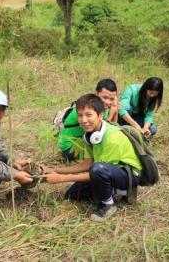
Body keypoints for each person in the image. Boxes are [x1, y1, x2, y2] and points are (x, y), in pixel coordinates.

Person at [44, 94, 142, 222]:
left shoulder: (112, 137)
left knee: (97, 169)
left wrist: (61, 178)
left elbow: (96, 171)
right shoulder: (89, 135)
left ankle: (108, 204)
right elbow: (85, 165)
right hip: (104, 170)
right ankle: (112, 191)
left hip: (128, 175)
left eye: (88, 115)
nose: (83, 120)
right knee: (72, 195)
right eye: (80, 115)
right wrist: (53, 170)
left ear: (101, 115)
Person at [58, 78, 120, 161]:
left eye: (112, 99)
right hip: (70, 146)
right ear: (96, 93)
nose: (108, 102)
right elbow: (102, 132)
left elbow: (114, 129)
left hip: (85, 140)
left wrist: (115, 112)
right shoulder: (87, 107)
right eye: (104, 97)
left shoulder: (102, 107)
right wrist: (111, 115)